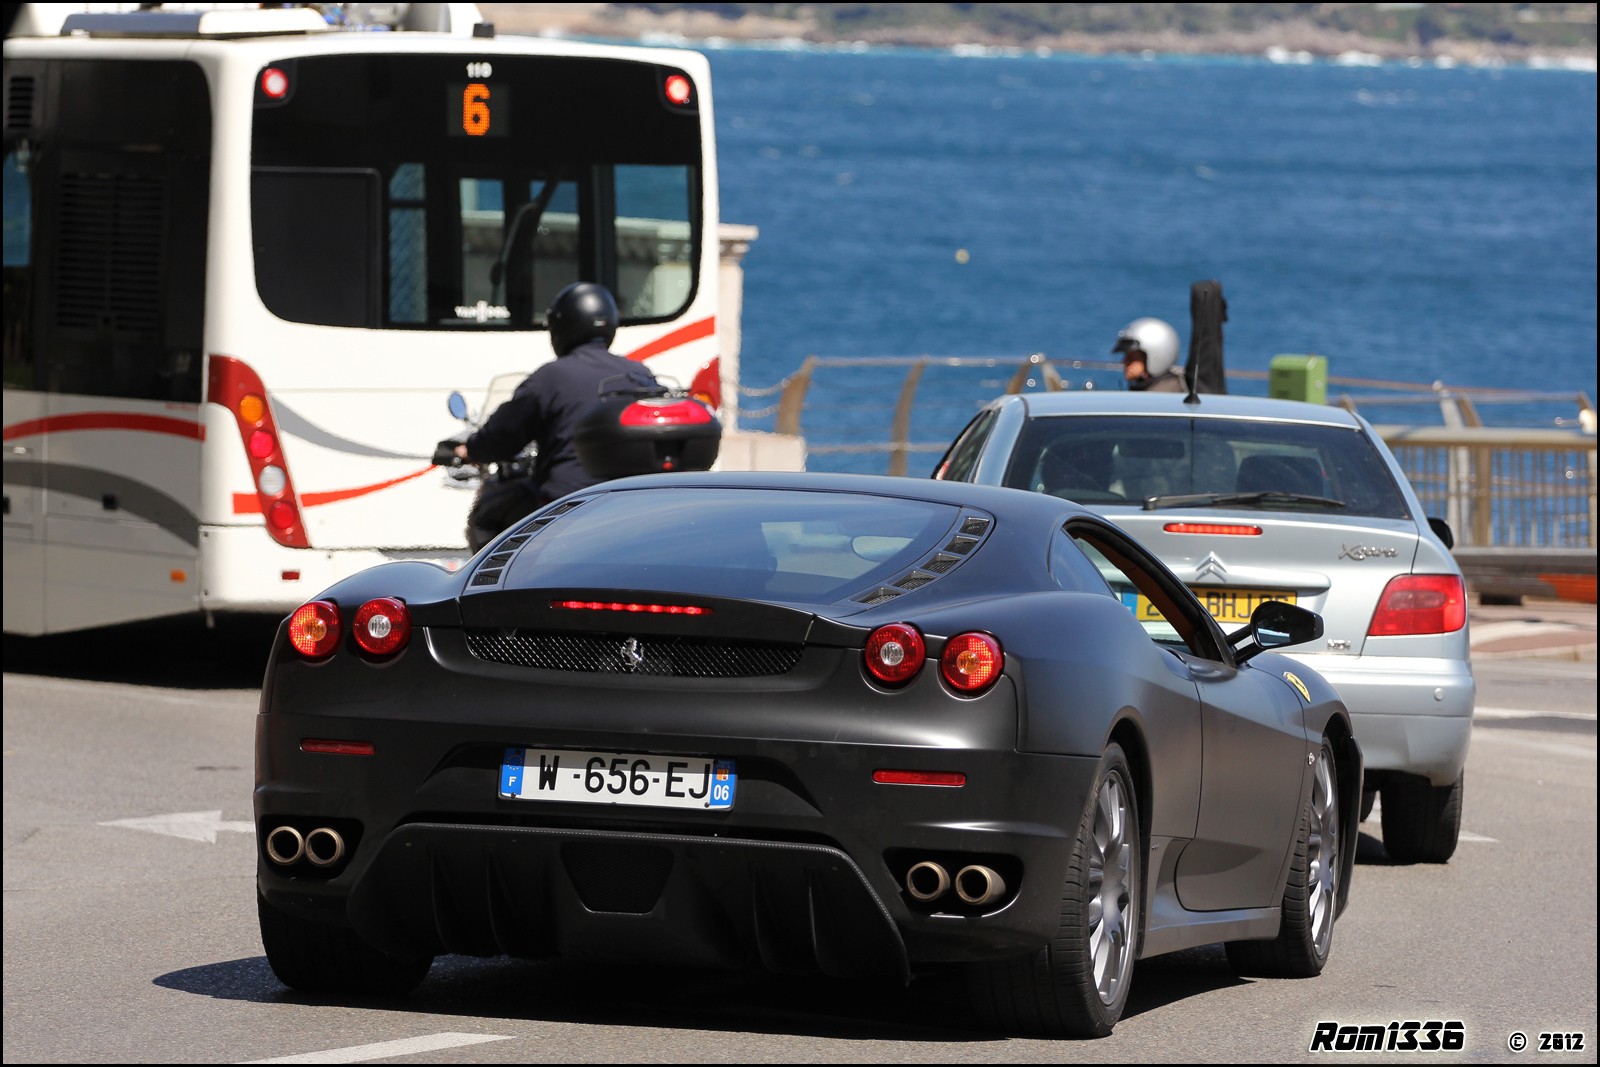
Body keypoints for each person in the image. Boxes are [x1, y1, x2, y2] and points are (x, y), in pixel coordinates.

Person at [454, 282, 657, 541]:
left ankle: (503, 581)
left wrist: (472, 449)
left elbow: (502, 435)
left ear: (561, 326)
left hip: (566, 507)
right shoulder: (640, 374)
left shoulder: (551, 377)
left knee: (489, 518)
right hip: (630, 505)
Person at [1111, 317, 1185, 392]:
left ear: (1156, 358)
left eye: (1132, 357)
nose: (1124, 362)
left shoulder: (1161, 394)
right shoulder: (1150, 391)